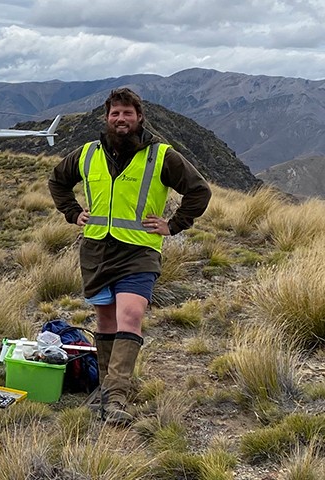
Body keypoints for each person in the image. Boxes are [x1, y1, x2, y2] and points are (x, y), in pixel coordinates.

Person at [48, 88, 211, 426]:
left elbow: (199, 191)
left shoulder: (161, 155)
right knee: (106, 321)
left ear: (139, 117)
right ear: (107, 117)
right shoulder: (88, 153)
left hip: (139, 250)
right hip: (96, 249)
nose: (120, 119)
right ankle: (108, 390)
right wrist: (72, 212)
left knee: (131, 315)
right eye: (115, 114)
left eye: (127, 113)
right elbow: (58, 181)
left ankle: (117, 396)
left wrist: (174, 224)